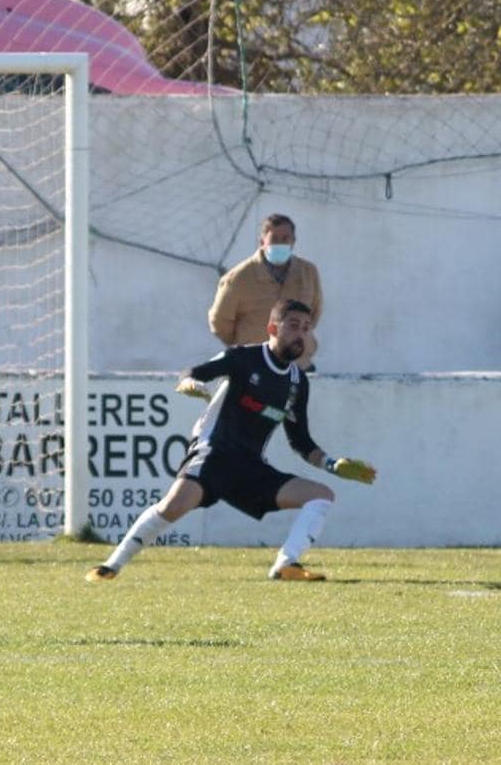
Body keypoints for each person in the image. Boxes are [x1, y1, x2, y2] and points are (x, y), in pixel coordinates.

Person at [86, 299, 376, 583]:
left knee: (321, 495)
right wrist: (191, 383)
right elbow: (195, 372)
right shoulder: (243, 357)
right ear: (273, 329)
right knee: (172, 508)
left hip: (250, 466)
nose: (300, 333)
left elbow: (300, 441)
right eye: (293, 326)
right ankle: (110, 566)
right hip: (214, 453)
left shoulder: (298, 382)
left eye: (306, 328)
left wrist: (332, 464)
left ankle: (286, 565)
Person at [208, 213, 323, 371]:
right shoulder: (239, 278)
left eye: (285, 238)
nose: (280, 243)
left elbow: (315, 313)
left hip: (298, 365)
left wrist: (295, 336)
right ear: (262, 242)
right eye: (274, 238)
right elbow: (219, 321)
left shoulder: (308, 272)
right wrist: (246, 344)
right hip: (254, 366)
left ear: (293, 241)